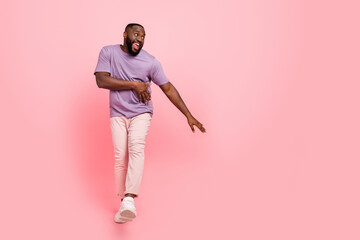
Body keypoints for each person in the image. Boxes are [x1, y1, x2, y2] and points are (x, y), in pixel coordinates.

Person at [94, 23, 206, 224]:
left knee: (136, 147)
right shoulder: (108, 52)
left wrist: (188, 115)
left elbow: (168, 88)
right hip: (117, 112)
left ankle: (129, 199)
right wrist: (135, 84)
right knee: (120, 155)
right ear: (125, 34)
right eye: (136, 34)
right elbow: (102, 80)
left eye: (144, 36)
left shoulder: (151, 62)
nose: (140, 38)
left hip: (141, 112)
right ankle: (123, 202)